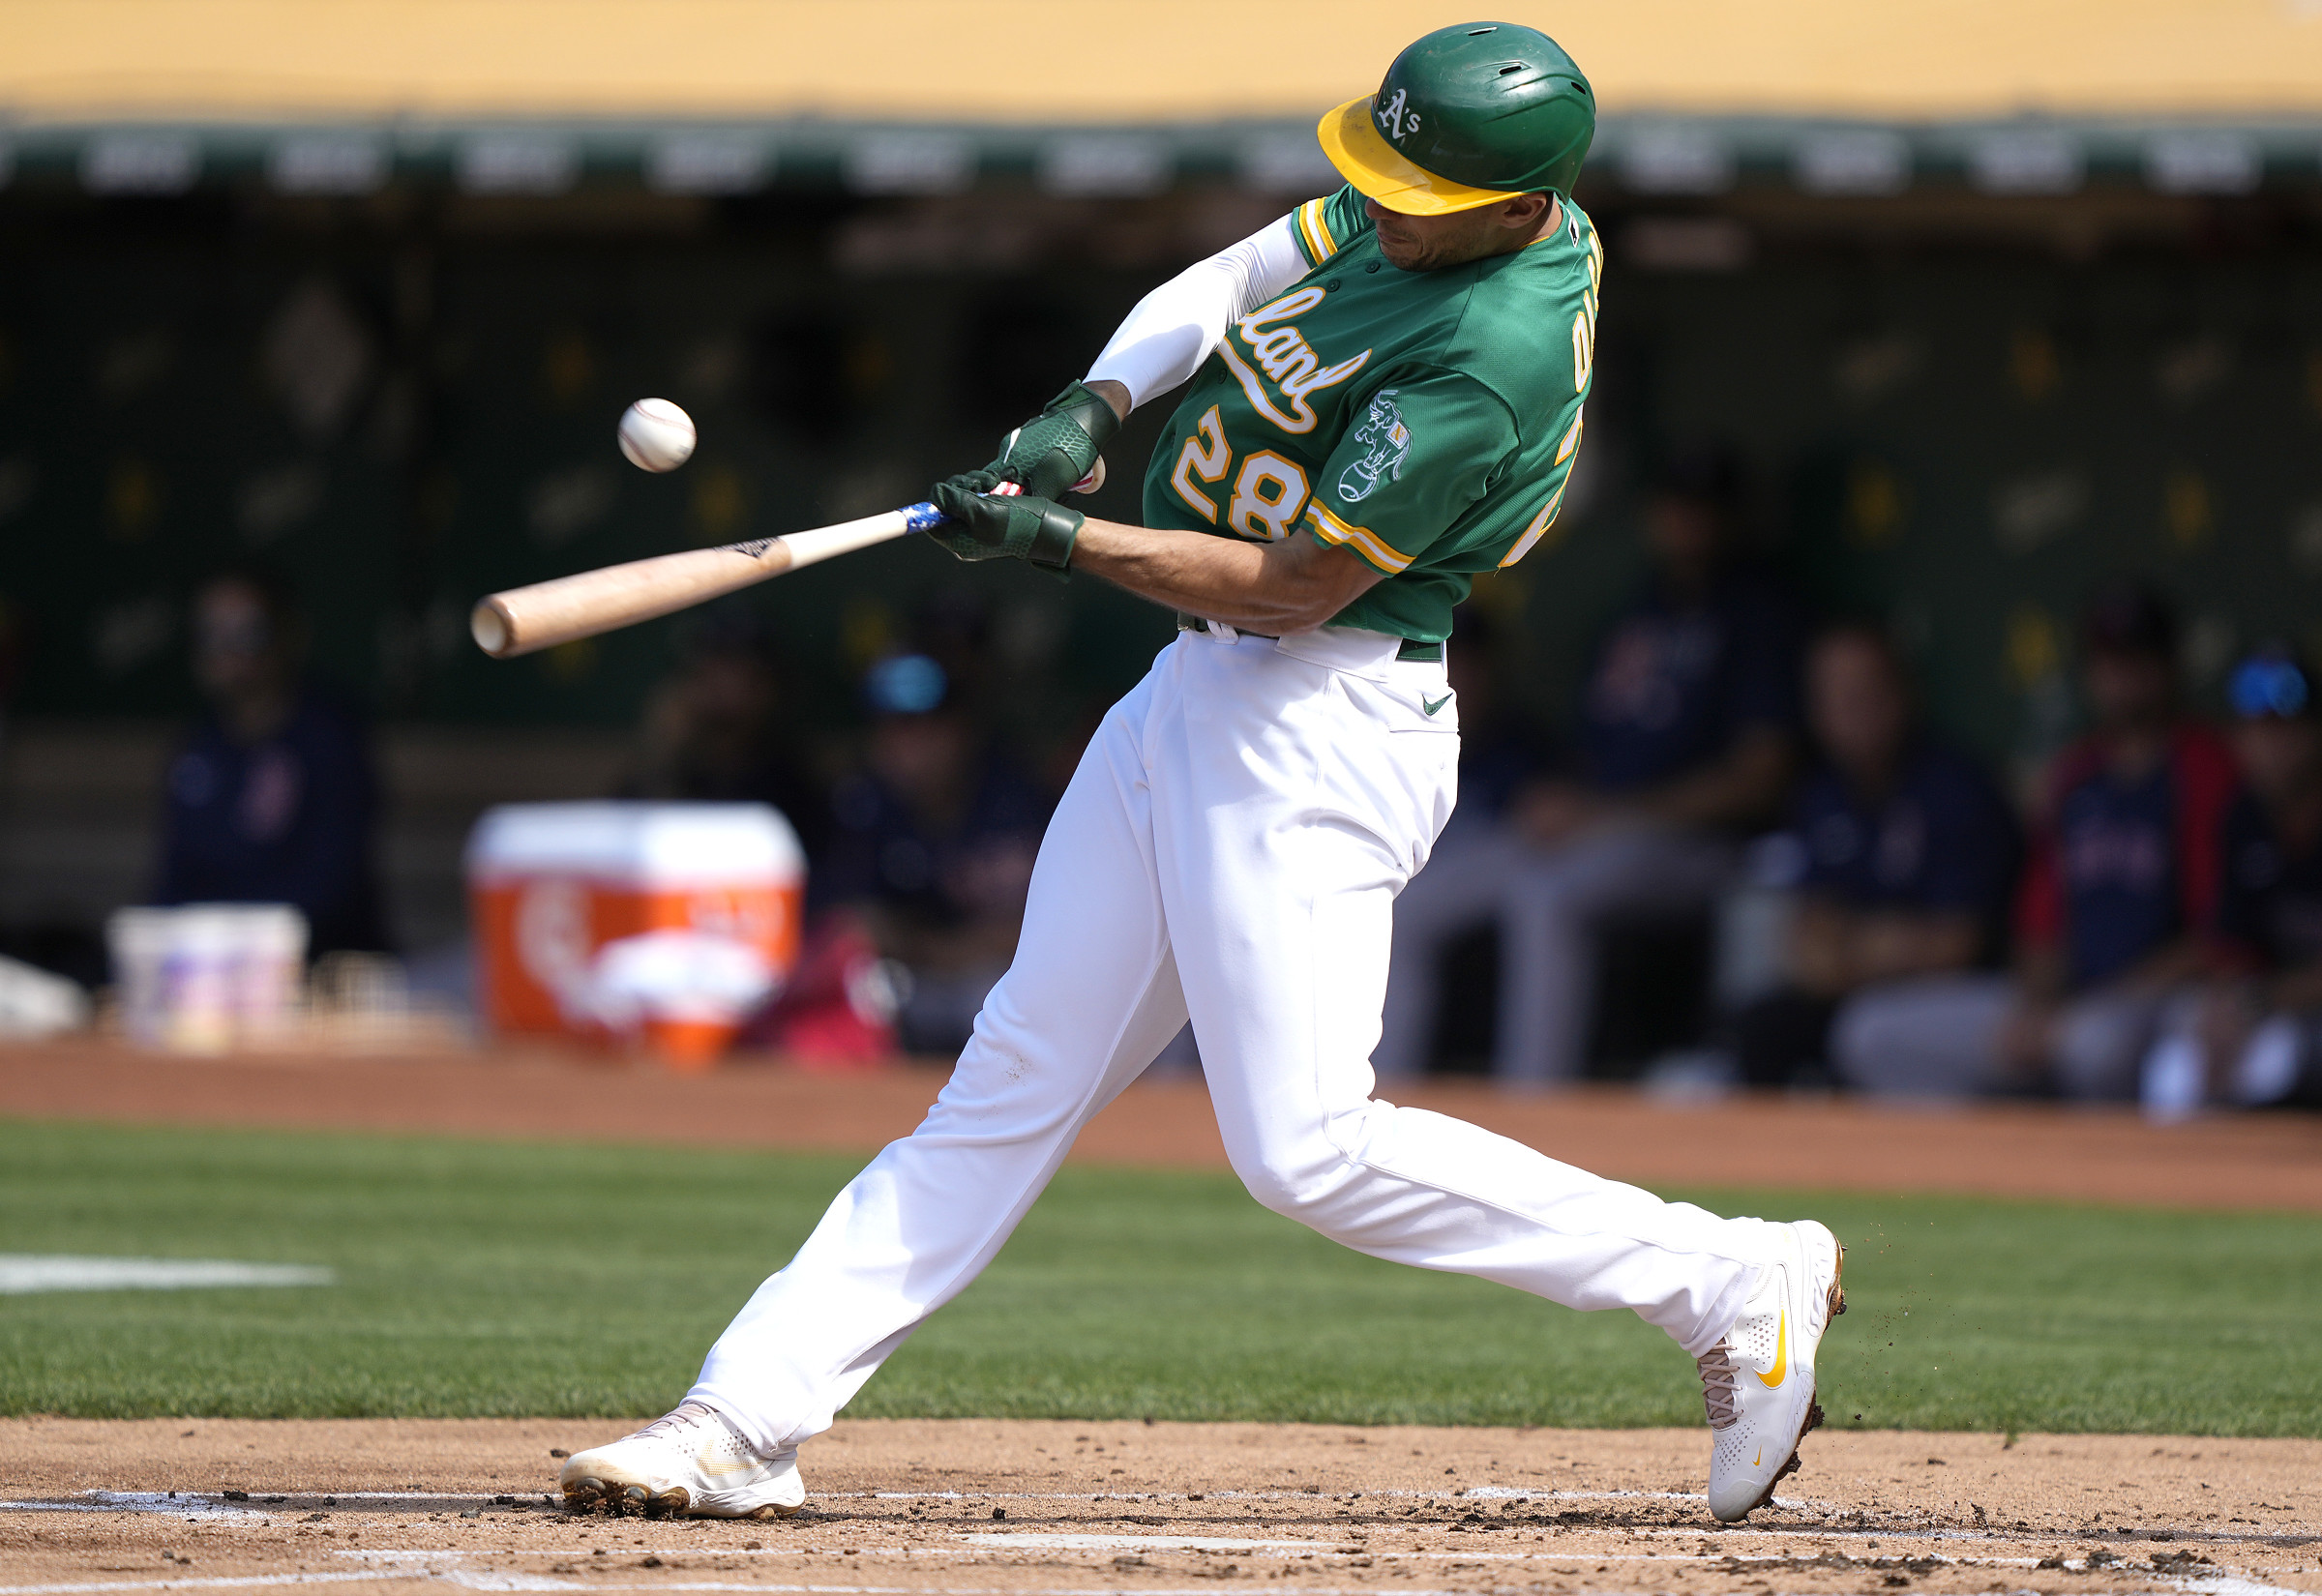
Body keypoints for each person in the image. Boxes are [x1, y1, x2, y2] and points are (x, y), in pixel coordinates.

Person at [555, 24, 1844, 1528]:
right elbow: (1234, 278)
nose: (1387, 202)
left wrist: (1058, 540)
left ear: (1516, 209)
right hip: (1197, 692)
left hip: (1318, 717)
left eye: (1422, 191)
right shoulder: (1445, 198)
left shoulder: (1487, 354)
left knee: (1306, 1150)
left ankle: (1730, 1278)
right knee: (1012, 1074)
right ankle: (743, 1416)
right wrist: (1093, 407)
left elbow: (1292, 585)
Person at [1469, 452, 1802, 1084]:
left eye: (1702, 508)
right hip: (1602, 831)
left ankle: (1529, 1104)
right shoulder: (1641, 608)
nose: (1685, 521)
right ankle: (1368, 1102)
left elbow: (1758, 781)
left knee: (1545, 896)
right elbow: (1592, 755)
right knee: (1418, 894)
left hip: (1704, 848)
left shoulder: (1759, 612)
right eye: (1674, 505)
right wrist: (1567, 805)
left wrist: (1603, 816)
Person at [1834, 582, 2234, 1099]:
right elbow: (2040, 927)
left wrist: (2081, 1010)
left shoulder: (2208, 769)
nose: (2122, 677)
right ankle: (1975, 1172)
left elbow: (2216, 938)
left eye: (2137, 659)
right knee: (1870, 1033)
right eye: (2109, 659)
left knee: (2094, 1047)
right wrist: (2038, 1008)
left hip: (2158, 1001)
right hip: (2067, 1002)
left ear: (2170, 665)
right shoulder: (2075, 776)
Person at [1730, 626, 2017, 1087]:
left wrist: (1856, 950)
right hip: (1860, 988)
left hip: (1955, 995)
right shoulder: (1821, 795)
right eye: (1835, 695)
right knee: (1763, 1026)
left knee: (1863, 1030)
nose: (1853, 708)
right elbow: (1807, 941)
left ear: (1903, 690)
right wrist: (1873, 948)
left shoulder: (1957, 789)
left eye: (1867, 690)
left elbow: (1956, 945)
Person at [817, 652, 1050, 1055]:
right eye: (895, 728)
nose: (909, 745)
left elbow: (1046, 932)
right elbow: (849, 924)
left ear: (960, 730)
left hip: (997, 985)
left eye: (926, 727)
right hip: (911, 984)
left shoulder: (1014, 799)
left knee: (992, 999)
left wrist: (933, 948)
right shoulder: (864, 804)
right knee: (861, 993)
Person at [153, 567, 387, 956]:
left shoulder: (329, 737)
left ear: (286, 635)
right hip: (207, 971)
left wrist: (231, 940)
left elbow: (329, 890)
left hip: (320, 971)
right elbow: (173, 880)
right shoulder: (198, 745)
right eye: (211, 635)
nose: (226, 650)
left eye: (247, 633)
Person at [1371, 604, 1554, 1077]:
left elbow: (1541, 826)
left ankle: (1384, 1085)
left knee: (1402, 911)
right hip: (1422, 874)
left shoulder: (1519, 746)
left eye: (1466, 665)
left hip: (1494, 875)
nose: (1454, 680)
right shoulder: (1393, 737)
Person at [2140, 647, 2322, 1115]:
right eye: (2254, 727)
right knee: (2177, 1068)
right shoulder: (2244, 818)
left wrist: (2260, 1001)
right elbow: (2231, 945)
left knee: (2288, 1059)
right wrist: (2225, 1008)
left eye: (2284, 728)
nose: (2268, 744)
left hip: (2297, 1010)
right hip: (2275, 1005)